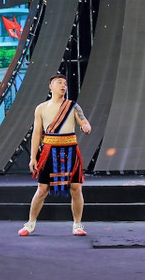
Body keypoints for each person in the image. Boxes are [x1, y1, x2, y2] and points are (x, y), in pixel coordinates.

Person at [19, 73, 92, 237]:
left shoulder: (73, 106)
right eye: (59, 83)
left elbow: (84, 121)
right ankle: (30, 224)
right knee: (42, 189)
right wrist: (33, 157)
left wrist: (86, 127)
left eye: (65, 83)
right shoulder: (41, 108)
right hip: (49, 151)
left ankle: (77, 225)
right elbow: (37, 134)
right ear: (51, 86)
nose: (63, 86)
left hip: (70, 151)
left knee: (76, 188)